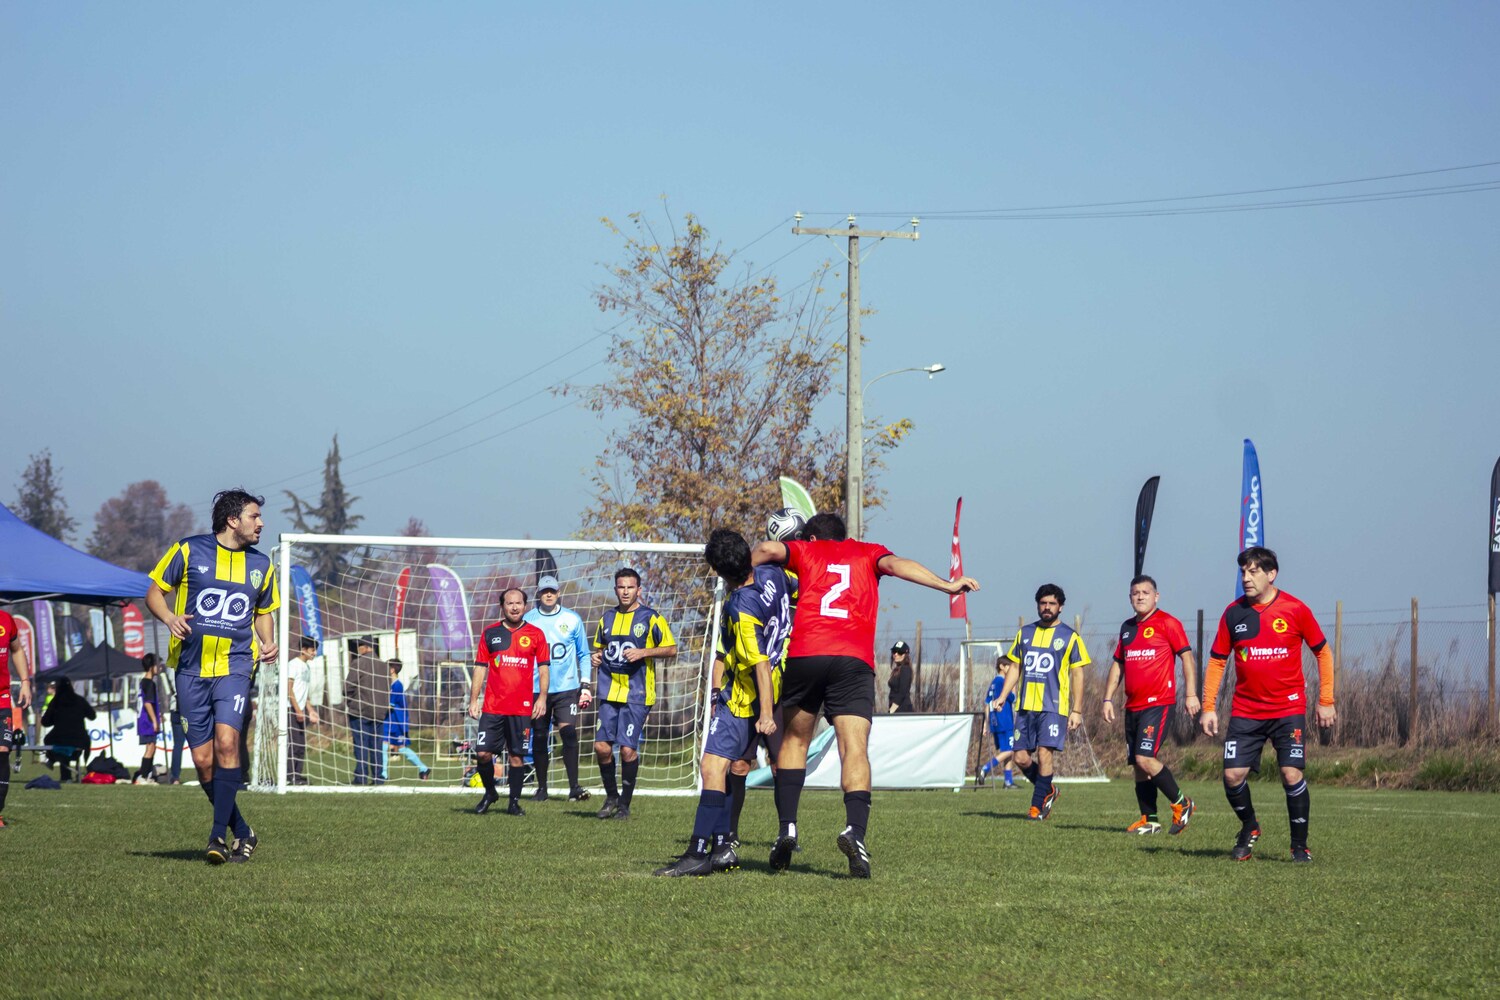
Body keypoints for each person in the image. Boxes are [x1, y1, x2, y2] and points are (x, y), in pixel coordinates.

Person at [751, 511, 979, 878]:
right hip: (853, 660)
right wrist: (947, 585)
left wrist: (743, 573)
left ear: (812, 538)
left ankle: (787, 828)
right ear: (844, 536)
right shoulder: (867, 552)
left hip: (808, 654)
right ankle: (854, 831)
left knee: (794, 740)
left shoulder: (806, 551)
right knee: (854, 748)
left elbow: (766, 549)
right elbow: (900, 565)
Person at [146, 488, 279, 864]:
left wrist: (268, 641)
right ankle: (243, 831)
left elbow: (263, 611)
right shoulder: (188, 550)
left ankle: (217, 836)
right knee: (203, 762)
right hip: (190, 670)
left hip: (235, 668)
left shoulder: (261, 565)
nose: (261, 523)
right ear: (232, 520)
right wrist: (169, 617)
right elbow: (154, 592)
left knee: (227, 743)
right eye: (254, 516)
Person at [656, 529, 787, 876]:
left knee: (711, 768)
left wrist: (766, 714)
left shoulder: (740, 606)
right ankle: (722, 848)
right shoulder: (773, 574)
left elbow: (758, 661)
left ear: (719, 572)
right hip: (767, 687)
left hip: (743, 699)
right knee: (727, 769)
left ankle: (698, 853)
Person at [1201, 547, 1335, 863]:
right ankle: (1250, 826)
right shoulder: (1233, 614)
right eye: (1243, 572)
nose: (1246, 578)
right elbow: (1217, 661)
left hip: (1288, 709)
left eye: (1253, 572)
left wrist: (1326, 700)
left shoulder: (1295, 609)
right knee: (1232, 776)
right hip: (1246, 710)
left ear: (1271, 574)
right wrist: (1208, 706)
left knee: (1290, 773)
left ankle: (1299, 846)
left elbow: (1322, 652)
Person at [1101, 575, 1200, 835]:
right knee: (1138, 764)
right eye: (1135, 593)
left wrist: (1191, 694)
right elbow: (1118, 665)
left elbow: (1187, 658)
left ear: (1156, 596)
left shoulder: (1168, 623)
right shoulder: (1127, 628)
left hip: (1158, 703)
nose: (1140, 596)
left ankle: (1182, 803)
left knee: (1145, 757)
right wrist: (1108, 698)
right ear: (1130, 598)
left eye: (1145, 592)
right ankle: (1150, 819)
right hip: (1132, 706)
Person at [994, 584, 1091, 822]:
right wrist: (1003, 695)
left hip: (1053, 708)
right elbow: (1015, 666)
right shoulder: (1025, 633)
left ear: (1061, 607)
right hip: (1026, 706)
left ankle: (1036, 808)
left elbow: (1078, 674)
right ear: (1038, 605)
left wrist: (1077, 710)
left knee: (1045, 753)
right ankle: (1048, 789)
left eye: (1052, 603)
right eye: (1043, 603)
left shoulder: (1070, 636)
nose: (1047, 607)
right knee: (1020, 758)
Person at [590, 568, 677, 821]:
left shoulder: (651, 618)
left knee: (628, 750)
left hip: (637, 694)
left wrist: (644, 652)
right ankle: (611, 797)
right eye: (621, 587)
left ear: (639, 590)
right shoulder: (606, 618)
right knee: (601, 747)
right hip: (609, 692)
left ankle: (624, 806)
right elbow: (599, 650)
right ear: (615, 589)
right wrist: (596, 657)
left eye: (630, 587)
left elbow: (672, 649)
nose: (625, 591)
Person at [471, 588, 550, 816]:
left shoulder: (536, 634)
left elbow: (544, 669)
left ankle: (513, 803)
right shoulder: (490, 633)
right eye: (509, 603)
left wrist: (542, 697)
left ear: (525, 606)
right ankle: (490, 792)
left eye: (518, 603)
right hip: (493, 707)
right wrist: (474, 699)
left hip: (521, 708)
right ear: (502, 606)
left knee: (517, 757)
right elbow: (480, 667)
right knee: (483, 754)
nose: (514, 607)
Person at [522, 574, 592, 802]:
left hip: (566, 688)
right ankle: (542, 789)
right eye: (545, 591)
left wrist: (585, 684)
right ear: (539, 594)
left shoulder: (572, 619)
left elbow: (584, 654)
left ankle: (574, 787)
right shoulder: (528, 620)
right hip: (537, 689)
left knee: (568, 733)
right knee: (540, 736)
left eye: (552, 591)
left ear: (559, 593)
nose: (549, 595)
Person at [0, 607, 33, 826]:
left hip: (2, 698)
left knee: (3, 751)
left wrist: (25, 682)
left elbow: (17, 649)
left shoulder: (6, 620)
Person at [345, 636, 388, 786]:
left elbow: (348, 687)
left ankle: (361, 777)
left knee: (361, 745)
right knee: (376, 746)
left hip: (361, 710)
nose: (358, 648)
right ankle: (378, 778)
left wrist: (350, 700)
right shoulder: (384, 666)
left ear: (366, 647)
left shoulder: (358, 663)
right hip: (379, 712)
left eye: (360, 645)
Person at [382, 659, 430, 781]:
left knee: (401, 748)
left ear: (392, 670)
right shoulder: (390, 685)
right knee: (384, 745)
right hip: (389, 720)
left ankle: (423, 768)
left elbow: (390, 705)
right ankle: (383, 774)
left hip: (398, 722)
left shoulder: (397, 685)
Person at [41, 678, 95, 782]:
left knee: (50, 740)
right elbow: (92, 716)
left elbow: (45, 722)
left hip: (59, 739)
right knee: (64, 745)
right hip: (79, 740)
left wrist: (57, 719)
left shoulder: (55, 702)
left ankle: (52, 760)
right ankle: (66, 774)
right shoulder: (80, 700)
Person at [978, 658, 1017, 788]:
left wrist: (986, 723)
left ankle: (1008, 782)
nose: (1012, 669)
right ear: (1002, 666)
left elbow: (987, 703)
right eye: (1009, 666)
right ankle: (985, 768)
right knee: (1011, 750)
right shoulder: (1003, 683)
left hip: (996, 722)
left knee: (1006, 750)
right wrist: (1014, 684)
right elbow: (1012, 698)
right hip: (1005, 720)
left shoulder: (994, 683)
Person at [286, 636, 320, 785]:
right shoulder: (293, 665)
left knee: (301, 745)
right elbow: (288, 689)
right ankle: (290, 776)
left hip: (300, 710)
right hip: (291, 709)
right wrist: (297, 710)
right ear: (303, 650)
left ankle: (297, 775)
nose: (315, 653)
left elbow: (304, 694)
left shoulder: (307, 667)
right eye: (312, 650)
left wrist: (310, 710)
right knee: (293, 744)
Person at [134, 654, 164, 783]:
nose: (160, 668)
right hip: (147, 721)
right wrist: (155, 720)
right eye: (158, 665)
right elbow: (147, 703)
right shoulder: (149, 683)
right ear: (151, 667)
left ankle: (148, 775)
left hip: (145, 720)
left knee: (152, 747)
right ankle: (142, 776)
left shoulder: (144, 682)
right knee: (150, 748)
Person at [886, 641, 915, 713]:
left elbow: (902, 692)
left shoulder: (905, 669)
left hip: (903, 710)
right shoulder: (897, 670)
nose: (896, 654)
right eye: (894, 651)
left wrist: (892, 710)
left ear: (905, 655)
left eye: (899, 652)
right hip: (897, 710)